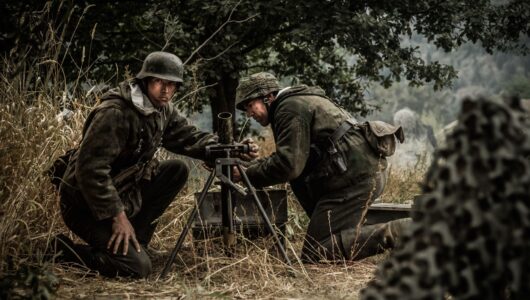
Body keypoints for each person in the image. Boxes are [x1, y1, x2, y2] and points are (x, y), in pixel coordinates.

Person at [55, 51, 257, 278]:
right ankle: (63, 251)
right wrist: (118, 217)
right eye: (159, 82)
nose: (166, 90)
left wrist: (230, 149)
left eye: (172, 85)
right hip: (85, 205)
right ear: (145, 81)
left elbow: (189, 138)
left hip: (123, 192)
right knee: (138, 269)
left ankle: (138, 242)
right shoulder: (114, 113)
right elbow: (91, 171)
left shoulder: (162, 110)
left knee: (175, 170)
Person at [233, 72, 409, 262]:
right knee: (328, 241)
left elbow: (288, 165)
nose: (249, 114)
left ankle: (401, 230)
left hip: (353, 179)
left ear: (268, 96)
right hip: (356, 174)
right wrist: (249, 166)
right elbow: (295, 157)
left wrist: (245, 173)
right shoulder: (297, 101)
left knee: (316, 254)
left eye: (251, 105)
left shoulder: (289, 108)